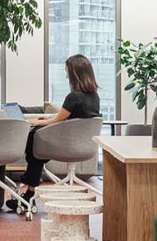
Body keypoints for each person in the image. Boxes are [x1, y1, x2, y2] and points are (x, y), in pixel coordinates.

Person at [19, 54, 102, 197]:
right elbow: (72, 119)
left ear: (75, 73)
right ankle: (30, 186)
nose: (66, 76)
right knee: (36, 142)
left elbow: (56, 121)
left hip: (66, 146)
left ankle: (30, 185)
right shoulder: (95, 97)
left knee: (34, 137)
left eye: (67, 71)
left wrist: (35, 121)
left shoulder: (73, 96)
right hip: (84, 146)